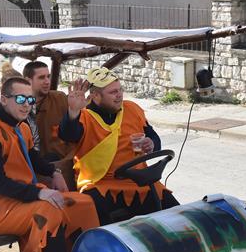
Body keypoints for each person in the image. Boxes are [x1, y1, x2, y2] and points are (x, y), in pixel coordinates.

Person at [0, 77, 98, 252]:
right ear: (4, 99)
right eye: (20, 99)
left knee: (84, 203)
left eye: (30, 100)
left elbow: (34, 159)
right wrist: (38, 193)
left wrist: (54, 173)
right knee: (49, 210)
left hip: (17, 198)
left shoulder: (21, 127)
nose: (26, 105)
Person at [59, 66, 180, 225]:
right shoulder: (84, 117)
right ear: (95, 96)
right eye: (113, 92)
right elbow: (68, 134)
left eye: (120, 89)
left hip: (139, 181)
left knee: (176, 214)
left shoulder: (132, 109)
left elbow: (152, 136)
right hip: (100, 184)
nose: (119, 95)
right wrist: (73, 111)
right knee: (96, 215)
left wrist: (152, 144)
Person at [22, 60, 74, 164]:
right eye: (41, 77)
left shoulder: (59, 99)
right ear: (28, 81)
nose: (47, 81)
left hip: (61, 164)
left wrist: (75, 110)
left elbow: (76, 132)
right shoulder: (18, 105)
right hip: (28, 167)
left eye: (48, 76)